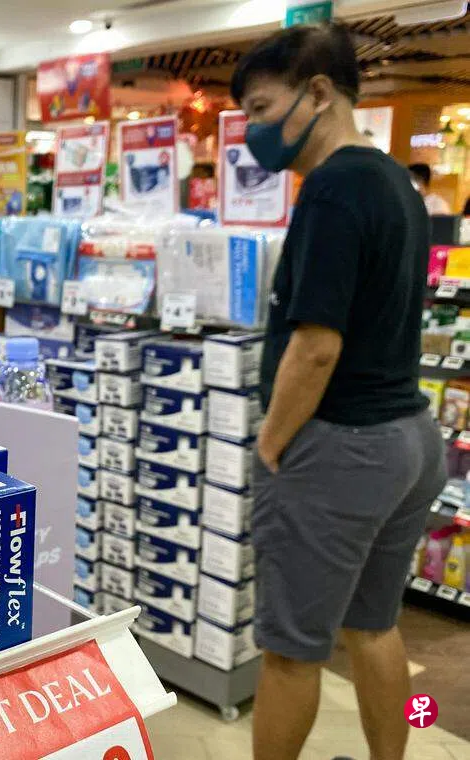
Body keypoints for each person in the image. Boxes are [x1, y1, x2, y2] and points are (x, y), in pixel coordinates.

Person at [231, 23, 445, 760]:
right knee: (374, 625)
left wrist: (271, 443)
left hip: (340, 447)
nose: (254, 132)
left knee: (290, 650)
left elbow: (317, 345)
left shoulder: (330, 189)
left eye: (262, 109)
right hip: (410, 439)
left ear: (319, 93)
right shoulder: (394, 181)